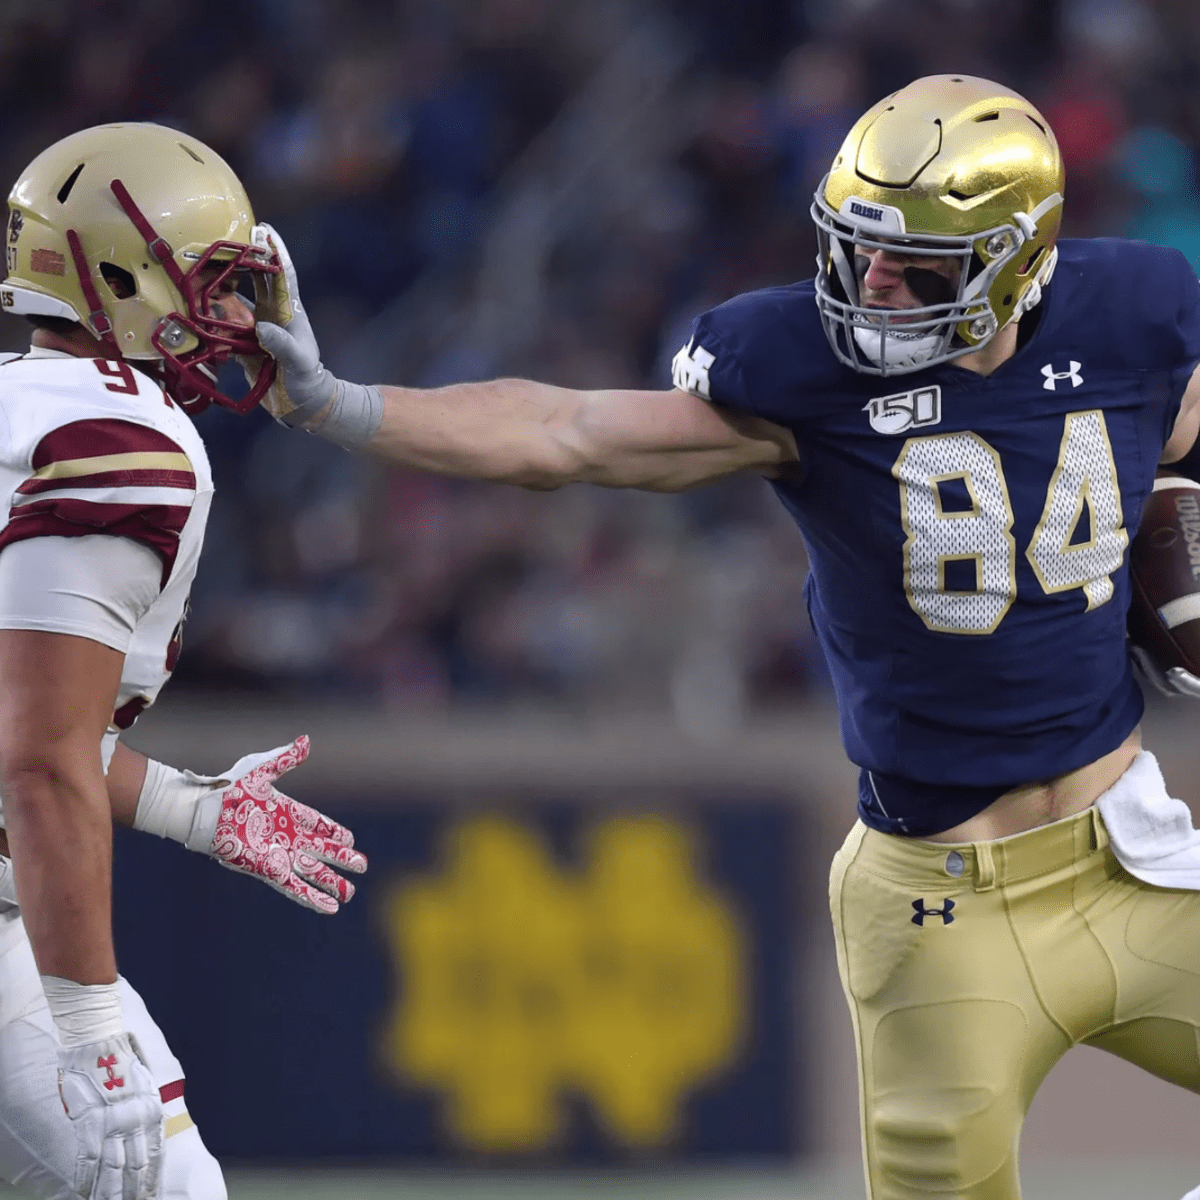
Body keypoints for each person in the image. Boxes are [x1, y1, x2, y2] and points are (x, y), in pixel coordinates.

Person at [257, 73, 1200, 1199]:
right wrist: (337, 403)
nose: (874, 284)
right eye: (859, 249)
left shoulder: (1133, 317)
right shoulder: (802, 373)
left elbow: (1175, 432)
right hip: (941, 912)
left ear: (1019, 258)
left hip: (1128, 855)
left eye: (916, 265)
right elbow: (570, 431)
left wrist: (1165, 523)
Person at [0, 123, 368, 1200]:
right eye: (214, 283)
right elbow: (37, 762)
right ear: (118, 274)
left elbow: (20, 725)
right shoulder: (115, 440)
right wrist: (90, 1024)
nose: (237, 317)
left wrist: (190, 810)